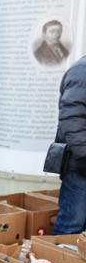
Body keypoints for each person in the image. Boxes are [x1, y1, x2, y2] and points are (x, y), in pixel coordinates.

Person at [52, 55, 86, 234]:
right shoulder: (82, 70)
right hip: (80, 168)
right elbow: (71, 120)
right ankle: (60, 260)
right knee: (71, 226)